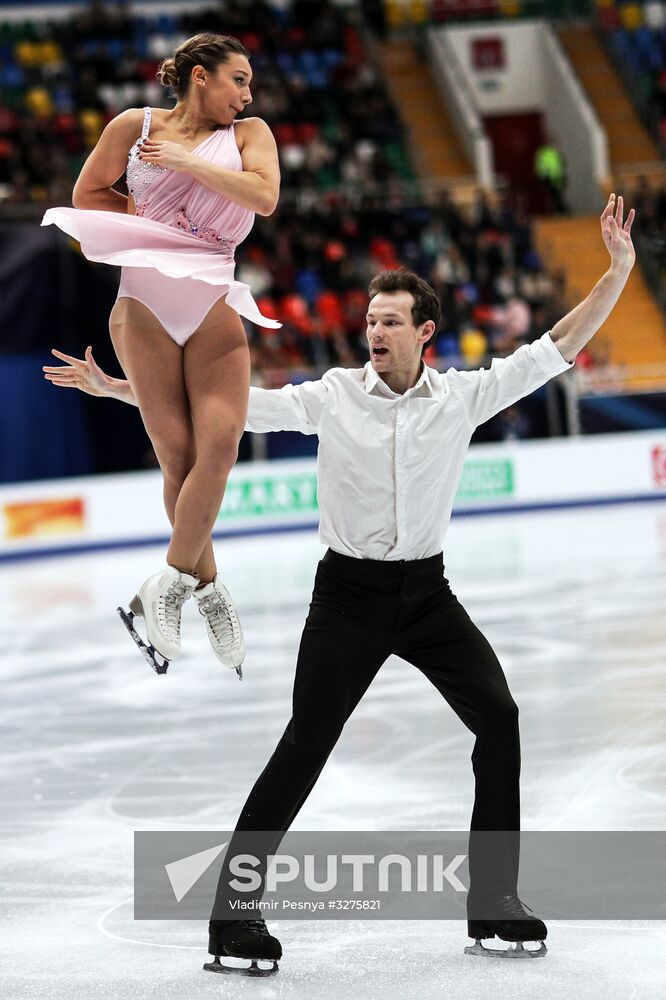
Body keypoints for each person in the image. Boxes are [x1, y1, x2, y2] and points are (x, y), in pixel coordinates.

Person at [44, 194, 635, 970]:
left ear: (425, 332)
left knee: (499, 718)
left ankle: (494, 901)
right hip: (348, 600)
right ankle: (231, 918)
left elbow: (553, 350)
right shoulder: (333, 394)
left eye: (391, 322)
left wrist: (617, 271)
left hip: (428, 598)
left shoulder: (462, 398)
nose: (375, 333)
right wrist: (120, 388)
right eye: (370, 321)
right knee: (305, 745)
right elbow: (234, 408)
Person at [41, 33, 281, 675]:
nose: (247, 94)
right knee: (178, 459)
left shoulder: (251, 133)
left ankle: (168, 584)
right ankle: (211, 591)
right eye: (238, 80)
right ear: (201, 77)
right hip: (143, 306)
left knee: (220, 449)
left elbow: (264, 198)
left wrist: (185, 162)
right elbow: (87, 195)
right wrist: (148, 219)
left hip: (212, 300)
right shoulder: (133, 126)